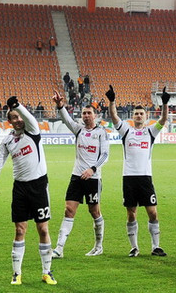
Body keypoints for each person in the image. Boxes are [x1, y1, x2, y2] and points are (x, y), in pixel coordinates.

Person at [0, 96, 57, 286]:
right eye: (14, 117)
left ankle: (47, 271)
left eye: (19, 116)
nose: (18, 120)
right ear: (9, 121)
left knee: (43, 228)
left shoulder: (32, 131)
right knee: (19, 230)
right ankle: (16, 274)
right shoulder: (7, 140)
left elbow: (31, 118)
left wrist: (17, 106)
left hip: (39, 186)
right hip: (20, 189)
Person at [107, 84, 170, 257]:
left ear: (146, 116)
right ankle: (134, 247)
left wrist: (165, 104)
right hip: (129, 178)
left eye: (141, 113)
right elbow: (113, 117)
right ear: (132, 116)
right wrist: (112, 101)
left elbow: (163, 120)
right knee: (131, 213)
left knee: (152, 212)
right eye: (136, 113)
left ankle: (155, 246)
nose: (139, 115)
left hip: (145, 178)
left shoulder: (150, 131)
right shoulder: (126, 130)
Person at [51, 90, 110, 258]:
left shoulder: (101, 133)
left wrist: (92, 169)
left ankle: (98, 246)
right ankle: (59, 248)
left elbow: (105, 155)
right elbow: (67, 120)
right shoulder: (79, 130)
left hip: (93, 178)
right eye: (83, 113)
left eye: (89, 113)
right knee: (69, 210)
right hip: (76, 176)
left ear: (95, 115)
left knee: (94, 211)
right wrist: (60, 105)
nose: (85, 116)